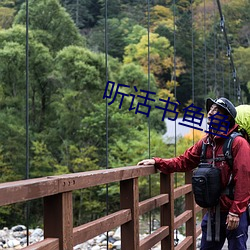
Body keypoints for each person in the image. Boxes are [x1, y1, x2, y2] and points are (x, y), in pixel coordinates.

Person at [137, 97, 250, 250]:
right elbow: (184, 161)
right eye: (210, 109)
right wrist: (158, 162)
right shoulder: (205, 143)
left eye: (216, 110)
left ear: (227, 117)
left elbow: (244, 178)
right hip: (213, 211)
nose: (210, 113)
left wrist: (236, 212)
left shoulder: (238, 143)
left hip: (233, 211)